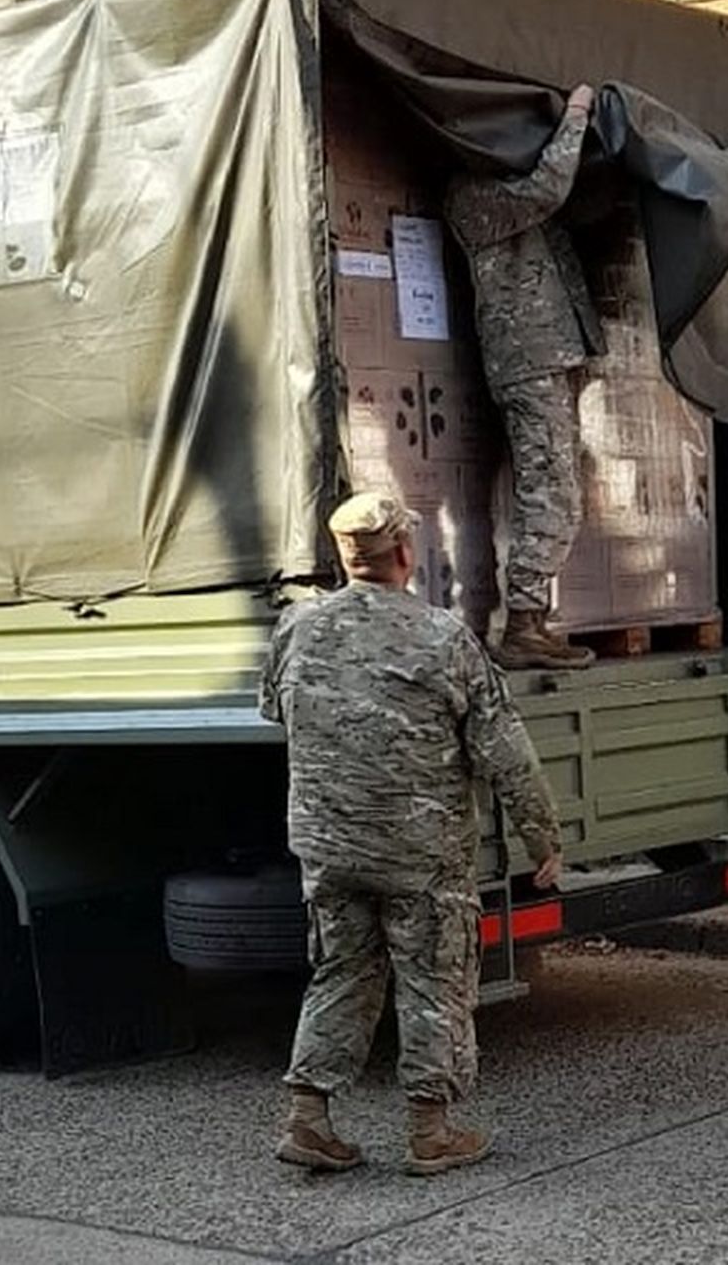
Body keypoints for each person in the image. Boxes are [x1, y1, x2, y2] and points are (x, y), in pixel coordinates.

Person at [260, 492, 563, 1176]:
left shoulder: (296, 629)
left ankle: (309, 1117)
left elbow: (274, 708)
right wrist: (542, 838)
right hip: (419, 853)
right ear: (404, 555)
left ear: (345, 558)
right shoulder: (441, 636)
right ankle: (431, 1132)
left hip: (329, 847)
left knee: (340, 972)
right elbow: (503, 749)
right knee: (434, 982)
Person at [445, 83, 604, 671]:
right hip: (528, 360)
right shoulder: (475, 196)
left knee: (560, 488)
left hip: (551, 356)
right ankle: (524, 626)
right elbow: (549, 188)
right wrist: (577, 116)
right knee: (550, 489)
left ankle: (533, 620)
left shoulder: (498, 192)